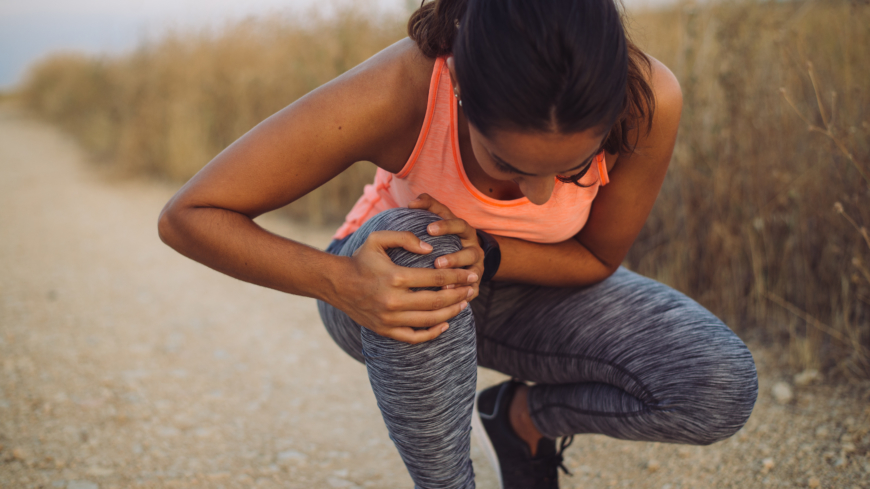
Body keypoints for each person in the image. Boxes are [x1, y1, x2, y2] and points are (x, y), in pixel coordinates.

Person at [158, 0, 759, 487]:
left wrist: (490, 251)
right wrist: (342, 283)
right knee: (423, 247)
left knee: (716, 385)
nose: (543, 195)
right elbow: (190, 214)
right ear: (461, 92)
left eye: (571, 166)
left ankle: (518, 421)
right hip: (379, 291)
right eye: (507, 161)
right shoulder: (403, 87)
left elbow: (597, 259)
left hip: (524, 288)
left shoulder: (647, 100)